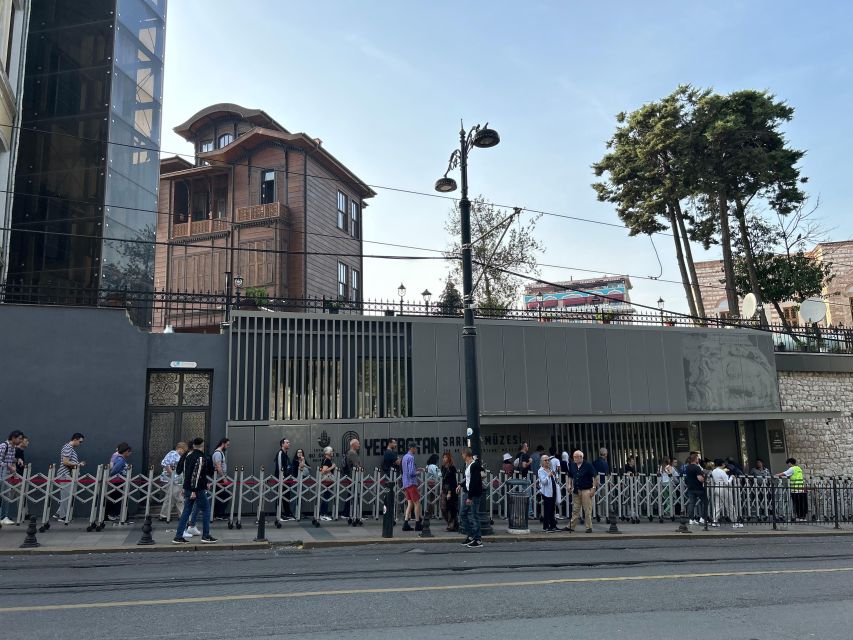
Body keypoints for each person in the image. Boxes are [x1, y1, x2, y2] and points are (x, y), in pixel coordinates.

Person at [173, 437, 216, 544]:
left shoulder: (188, 456)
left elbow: (183, 471)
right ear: (202, 445)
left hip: (187, 487)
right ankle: (206, 535)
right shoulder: (200, 458)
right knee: (206, 510)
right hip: (197, 489)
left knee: (186, 511)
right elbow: (196, 476)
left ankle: (178, 536)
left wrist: (185, 487)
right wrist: (194, 490)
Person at [55, 433, 85, 521]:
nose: (80, 444)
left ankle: (59, 513)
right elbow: (65, 462)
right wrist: (78, 464)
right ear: (75, 439)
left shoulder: (69, 448)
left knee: (67, 495)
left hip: (68, 475)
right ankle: (62, 516)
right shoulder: (68, 448)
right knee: (66, 496)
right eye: (80, 441)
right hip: (65, 475)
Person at [457, 447, 483, 548]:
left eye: (462, 454)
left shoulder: (474, 465)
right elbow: (468, 480)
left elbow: (474, 482)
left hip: (473, 494)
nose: (462, 456)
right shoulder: (468, 465)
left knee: (474, 515)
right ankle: (471, 535)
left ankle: (478, 539)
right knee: (462, 514)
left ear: (465, 454)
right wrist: (461, 485)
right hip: (468, 492)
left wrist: (470, 497)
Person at [567, 450, 598, 533]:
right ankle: (571, 526)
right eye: (573, 457)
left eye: (576, 457)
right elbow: (570, 476)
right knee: (575, 509)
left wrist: (594, 488)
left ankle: (589, 527)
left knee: (587, 509)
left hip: (586, 490)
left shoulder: (588, 465)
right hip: (576, 489)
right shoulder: (572, 465)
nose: (574, 459)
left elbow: (595, 476)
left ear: (581, 457)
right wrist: (569, 485)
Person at [159, 442, 188, 521]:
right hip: (171, 479)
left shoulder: (178, 455)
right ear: (180, 449)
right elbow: (165, 463)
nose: (184, 453)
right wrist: (172, 475)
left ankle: (166, 515)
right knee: (176, 496)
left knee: (174, 496)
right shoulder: (173, 454)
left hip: (176, 479)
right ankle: (179, 515)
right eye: (184, 451)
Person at [710, 458, 742, 528]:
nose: (724, 465)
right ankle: (735, 522)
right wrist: (731, 477)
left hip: (717, 488)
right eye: (723, 463)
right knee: (730, 506)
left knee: (717, 505)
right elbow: (727, 483)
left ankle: (715, 521)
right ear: (721, 464)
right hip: (724, 489)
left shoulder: (714, 471)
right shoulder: (722, 472)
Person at [0, 430, 23, 525]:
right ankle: (3, 517)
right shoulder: (3, 446)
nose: (20, 441)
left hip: (7, 475)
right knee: (4, 496)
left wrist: (17, 460)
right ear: (13, 438)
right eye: (19, 439)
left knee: (6, 496)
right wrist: (8, 466)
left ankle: (4, 517)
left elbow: (10, 459)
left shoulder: (13, 448)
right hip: (1, 475)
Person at [106, 443, 132, 521]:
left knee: (116, 496)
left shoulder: (119, 458)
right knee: (116, 497)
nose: (130, 453)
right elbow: (114, 470)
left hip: (119, 480)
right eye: (129, 451)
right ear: (126, 451)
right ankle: (112, 514)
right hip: (119, 481)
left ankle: (113, 514)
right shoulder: (121, 459)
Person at [401, 443, 422, 531]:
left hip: (405, 483)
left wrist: (417, 469)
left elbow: (407, 471)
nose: (416, 450)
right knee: (417, 503)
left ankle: (405, 523)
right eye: (415, 448)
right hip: (411, 483)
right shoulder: (411, 458)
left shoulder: (405, 457)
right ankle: (417, 523)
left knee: (410, 503)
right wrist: (419, 472)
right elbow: (411, 473)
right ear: (412, 448)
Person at [342, 438, 362, 522]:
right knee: (353, 495)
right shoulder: (352, 453)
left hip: (352, 477)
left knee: (351, 495)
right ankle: (349, 513)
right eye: (358, 443)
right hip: (354, 477)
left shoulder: (350, 453)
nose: (359, 445)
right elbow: (357, 466)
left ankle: (347, 513)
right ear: (353, 445)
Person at [684, 452, 707, 525]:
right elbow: (700, 478)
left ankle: (691, 519)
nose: (698, 459)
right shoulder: (697, 467)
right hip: (698, 487)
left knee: (692, 503)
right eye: (697, 458)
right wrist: (704, 479)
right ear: (695, 459)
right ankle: (702, 518)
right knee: (705, 502)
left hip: (690, 487)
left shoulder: (687, 467)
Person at [274, 438, 294, 521]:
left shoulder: (286, 454)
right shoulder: (280, 453)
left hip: (287, 479)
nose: (289, 443)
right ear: (282, 444)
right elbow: (279, 466)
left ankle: (287, 513)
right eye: (287, 442)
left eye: (289, 442)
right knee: (280, 496)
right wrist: (281, 478)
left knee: (287, 496)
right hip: (282, 479)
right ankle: (279, 515)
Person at [211, 438, 230, 520]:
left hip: (219, 478)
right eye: (227, 444)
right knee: (225, 495)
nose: (228, 446)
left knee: (220, 495)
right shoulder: (218, 453)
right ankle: (218, 514)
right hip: (219, 479)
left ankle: (217, 514)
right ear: (223, 443)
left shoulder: (219, 453)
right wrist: (224, 477)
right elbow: (218, 466)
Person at [538, 454, 557, 532]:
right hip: (546, 492)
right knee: (547, 509)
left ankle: (553, 525)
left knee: (552, 509)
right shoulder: (541, 470)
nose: (547, 461)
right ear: (542, 462)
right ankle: (546, 526)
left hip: (553, 490)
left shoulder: (550, 469)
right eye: (545, 460)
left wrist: (555, 475)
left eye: (548, 460)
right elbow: (543, 482)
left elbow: (555, 479)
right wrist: (548, 476)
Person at [440, 451, 458, 532]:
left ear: (449, 458)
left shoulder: (452, 468)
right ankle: (450, 523)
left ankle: (452, 525)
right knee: (443, 507)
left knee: (451, 507)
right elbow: (443, 479)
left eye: (446, 457)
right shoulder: (443, 467)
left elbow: (453, 481)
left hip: (450, 488)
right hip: (444, 488)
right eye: (443, 457)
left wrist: (450, 492)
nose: (444, 459)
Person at [319, 446, 336, 521]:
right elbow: (324, 471)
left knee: (326, 497)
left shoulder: (327, 460)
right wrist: (332, 467)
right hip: (327, 481)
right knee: (326, 497)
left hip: (328, 481)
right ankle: (323, 514)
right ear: (326, 453)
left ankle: (323, 514)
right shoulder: (327, 460)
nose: (332, 452)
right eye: (331, 451)